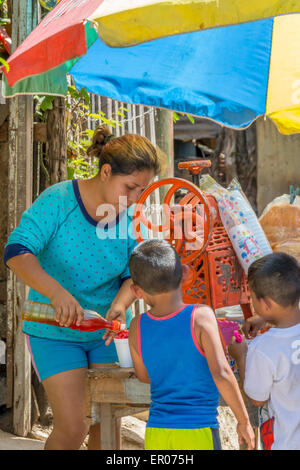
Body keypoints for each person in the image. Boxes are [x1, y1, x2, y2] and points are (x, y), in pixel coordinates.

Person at [4, 125, 160, 450]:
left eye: (141, 191)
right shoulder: (59, 201)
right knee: (73, 428)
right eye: (130, 187)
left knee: (106, 435)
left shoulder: (132, 217)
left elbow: (137, 274)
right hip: (52, 332)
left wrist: (121, 302)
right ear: (105, 172)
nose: (134, 199)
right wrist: (56, 292)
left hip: (104, 333)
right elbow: (16, 252)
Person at [128, 239, 255, 450]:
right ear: (186, 274)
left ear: (136, 291)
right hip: (198, 431)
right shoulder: (200, 316)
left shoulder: (136, 326)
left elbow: (144, 376)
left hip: (157, 434)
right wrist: (243, 421)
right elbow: (222, 373)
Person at [229, 252, 300, 450]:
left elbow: (257, 398)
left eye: (251, 297)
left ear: (266, 304)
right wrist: (269, 317)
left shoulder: (263, 348)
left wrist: (242, 355)